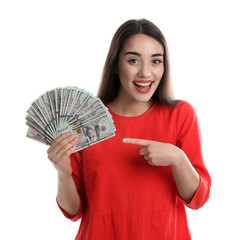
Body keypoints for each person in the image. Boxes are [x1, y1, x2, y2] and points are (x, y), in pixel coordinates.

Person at [47, 19, 211, 240]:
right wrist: (63, 174)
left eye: (156, 61)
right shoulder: (84, 122)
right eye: (133, 60)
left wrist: (178, 158)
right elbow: (73, 211)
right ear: (115, 65)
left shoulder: (181, 115)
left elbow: (198, 199)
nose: (145, 72)